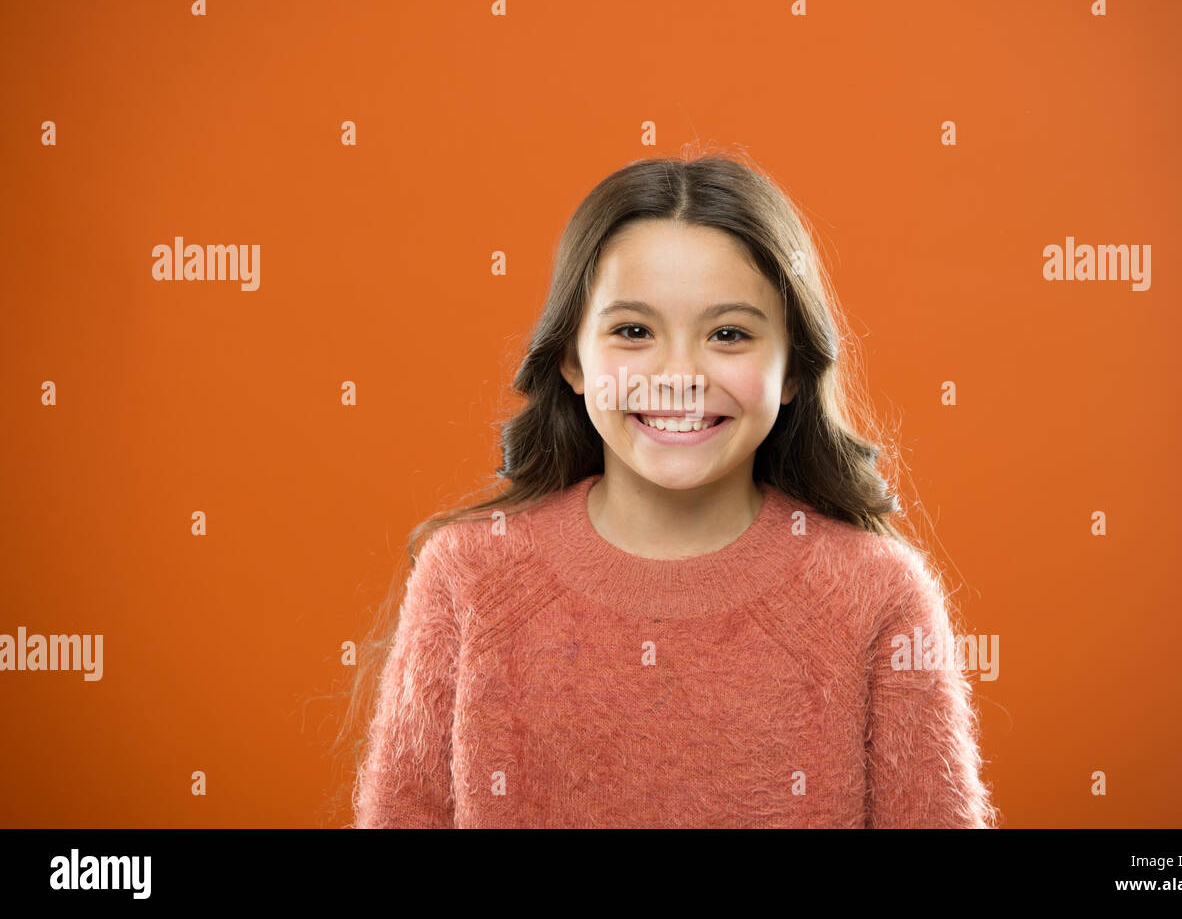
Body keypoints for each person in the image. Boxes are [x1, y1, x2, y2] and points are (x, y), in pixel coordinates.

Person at [347, 151, 998, 828]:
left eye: (729, 334)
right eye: (633, 331)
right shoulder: (467, 577)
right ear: (573, 358)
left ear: (793, 372)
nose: (680, 376)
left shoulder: (878, 595)